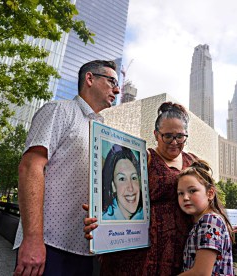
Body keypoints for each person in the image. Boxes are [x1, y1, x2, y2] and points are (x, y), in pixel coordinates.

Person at [13, 60, 120, 276]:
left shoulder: (101, 130)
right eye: (112, 81)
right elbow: (30, 167)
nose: (116, 90)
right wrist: (33, 239)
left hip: (84, 250)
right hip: (48, 245)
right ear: (90, 79)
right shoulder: (58, 111)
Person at [84, 102, 201, 275]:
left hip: (178, 250)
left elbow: (208, 199)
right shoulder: (143, 158)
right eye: (167, 136)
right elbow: (114, 191)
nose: (174, 142)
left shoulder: (193, 162)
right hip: (136, 252)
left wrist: (223, 222)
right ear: (156, 134)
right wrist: (97, 216)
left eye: (180, 136)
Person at [177, 160, 234, 276]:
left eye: (192, 191)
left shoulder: (210, 221)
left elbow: (201, 273)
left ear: (210, 193)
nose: (185, 197)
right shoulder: (205, 222)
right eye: (180, 193)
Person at [102, 144, 143, 220]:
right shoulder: (103, 220)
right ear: (113, 185)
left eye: (134, 177)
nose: (130, 188)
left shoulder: (145, 215)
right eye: (122, 179)